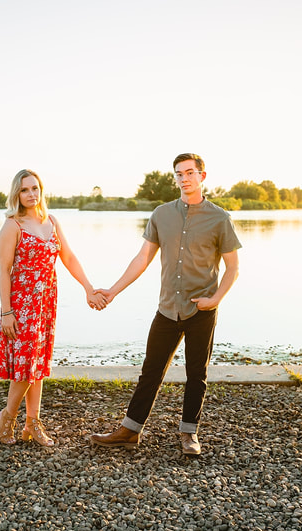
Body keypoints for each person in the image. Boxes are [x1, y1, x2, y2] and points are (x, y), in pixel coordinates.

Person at [89, 153, 241, 455]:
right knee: (151, 371)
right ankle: (130, 430)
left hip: (201, 309)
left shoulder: (219, 218)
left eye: (189, 173)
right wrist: (114, 290)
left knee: (197, 374)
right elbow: (142, 259)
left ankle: (189, 434)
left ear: (202, 176)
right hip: (167, 308)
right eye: (178, 174)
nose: (184, 179)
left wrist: (215, 299)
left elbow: (233, 268)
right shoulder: (161, 214)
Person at [0, 169, 106, 446]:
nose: (31, 194)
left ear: (41, 190)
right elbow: (3, 271)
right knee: (24, 366)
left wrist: (88, 288)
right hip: (22, 305)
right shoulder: (12, 225)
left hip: (46, 303)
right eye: (24, 190)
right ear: (16, 194)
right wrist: (6, 312)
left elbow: (67, 256)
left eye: (35, 188)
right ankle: (7, 417)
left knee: (39, 365)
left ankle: (32, 423)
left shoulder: (52, 221)